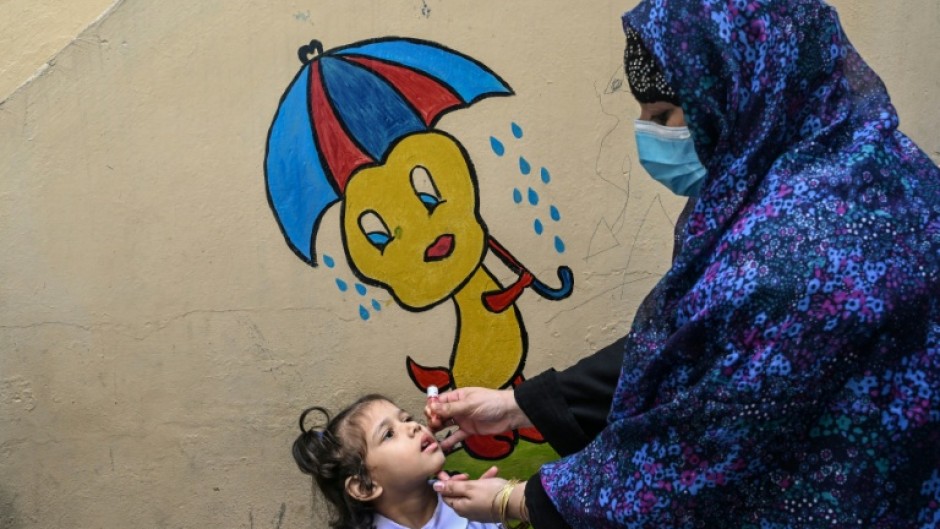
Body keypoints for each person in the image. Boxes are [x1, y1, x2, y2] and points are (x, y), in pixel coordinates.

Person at [427, 0, 940, 527]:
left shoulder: (787, 263)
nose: (647, 134)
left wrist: (520, 500)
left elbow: (692, 453)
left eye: (665, 115)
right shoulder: (881, 171)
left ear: (737, 93)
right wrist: (520, 406)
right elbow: (705, 340)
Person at [291, 394, 504, 529]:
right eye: (389, 434)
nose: (413, 427)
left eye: (406, 419)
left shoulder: (472, 509)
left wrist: (499, 509)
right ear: (365, 486)